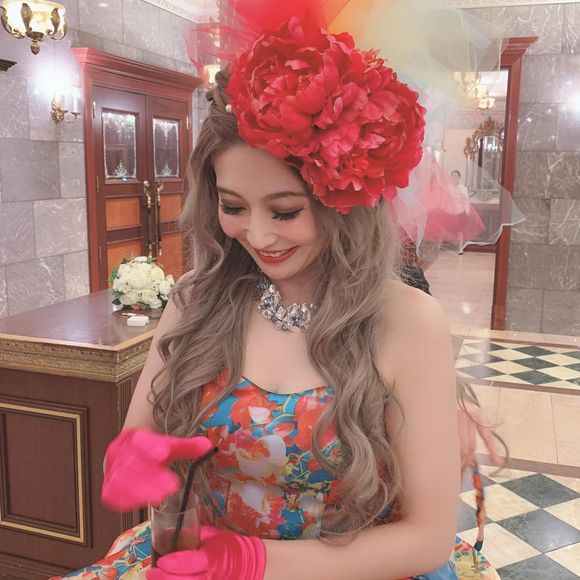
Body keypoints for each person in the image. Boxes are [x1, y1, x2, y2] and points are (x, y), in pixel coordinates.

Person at [59, 4, 504, 579]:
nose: (259, 236)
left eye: (286, 210)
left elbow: (427, 539)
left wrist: (251, 561)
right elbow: (138, 437)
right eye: (233, 206)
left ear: (346, 201)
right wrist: (132, 457)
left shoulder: (407, 321)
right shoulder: (196, 300)